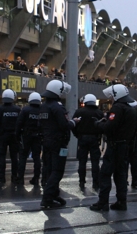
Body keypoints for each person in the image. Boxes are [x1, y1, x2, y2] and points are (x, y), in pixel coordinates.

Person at [90, 84, 136, 212]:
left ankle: (103, 203)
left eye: (112, 96)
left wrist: (98, 125)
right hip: (124, 146)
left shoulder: (117, 108)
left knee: (105, 174)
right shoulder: (130, 109)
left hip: (114, 146)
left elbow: (110, 127)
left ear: (116, 95)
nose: (110, 98)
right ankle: (122, 201)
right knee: (121, 175)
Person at [39, 79, 77, 209]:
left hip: (47, 141)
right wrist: (74, 122)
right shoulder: (58, 107)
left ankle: (54, 194)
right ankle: (48, 198)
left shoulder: (43, 106)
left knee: (49, 169)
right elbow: (64, 125)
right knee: (57, 171)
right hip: (58, 143)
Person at [72, 93, 105, 190]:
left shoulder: (79, 112)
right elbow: (103, 126)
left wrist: (77, 135)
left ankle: (81, 181)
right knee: (95, 162)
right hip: (95, 139)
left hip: (82, 139)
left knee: (82, 162)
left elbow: (74, 125)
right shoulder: (99, 113)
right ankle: (96, 182)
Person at [0, 89, 21, 183]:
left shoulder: (0, 109)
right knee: (14, 157)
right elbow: (20, 123)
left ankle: (1, 176)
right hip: (14, 135)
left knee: (2, 156)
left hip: (3, 134)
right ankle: (14, 176)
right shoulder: (17, 109)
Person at [16, 92, 43, 186]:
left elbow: (19, 123)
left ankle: (20, 178)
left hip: (26, 136)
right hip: (38, 136)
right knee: (37, 158)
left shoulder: (25, 110)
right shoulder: (42, 110)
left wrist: (17, 135)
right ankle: (36, 178)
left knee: (23, 157)